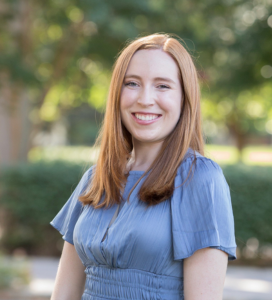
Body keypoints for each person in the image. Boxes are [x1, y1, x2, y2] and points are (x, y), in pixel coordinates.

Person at [50, 33, 237, 300]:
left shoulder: (200, 178)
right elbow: (62, 295)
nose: (145, 99)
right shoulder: (96, 179)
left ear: (185, 98)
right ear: (117, 93)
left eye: (162, 86)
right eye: (132, 83)